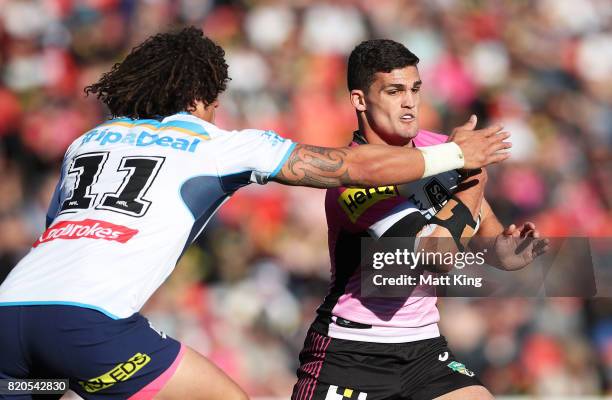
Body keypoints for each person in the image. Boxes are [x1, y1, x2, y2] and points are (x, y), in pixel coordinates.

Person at [0, 28, 510, 400]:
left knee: (47, 386)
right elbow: (349, 168)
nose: (217, 111)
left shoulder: (85, 142)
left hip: (10, 309)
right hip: (89, 322)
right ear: (200, 97)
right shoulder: (215, 143)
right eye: (215, 101)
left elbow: (57, 232)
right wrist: (456, 156)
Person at [291, 39, 548, 400]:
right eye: (394, 91)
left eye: (415, 89)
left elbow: (482, 238)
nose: (409, 102)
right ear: (360, 100)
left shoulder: (442, 148)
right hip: (352, 351)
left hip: (423, 346)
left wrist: (507, 252)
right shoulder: (354, 180)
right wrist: (472, 173)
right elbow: (438, 255)